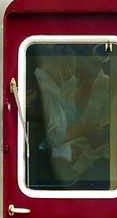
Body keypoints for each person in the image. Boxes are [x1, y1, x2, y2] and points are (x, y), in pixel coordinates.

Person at [33, 45, 111, 184]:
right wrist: (84, 130)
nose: (75, 77)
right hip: (54, 163)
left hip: (64, 162)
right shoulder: (47, 92)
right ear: (63, 66)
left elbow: (71, 112)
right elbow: (52, 136)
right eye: (74, 71)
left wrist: (89, 81)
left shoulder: (52, 89)